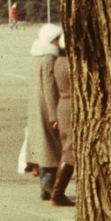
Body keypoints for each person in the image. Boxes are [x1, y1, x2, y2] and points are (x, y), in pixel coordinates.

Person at [23, 23, 65, 202]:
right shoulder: (49, 58)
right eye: (57, 39)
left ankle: (45, 187)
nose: (59, 42)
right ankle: (48, 187)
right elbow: (50, 88)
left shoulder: (37, 55)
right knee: (51, 148)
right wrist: (55, 115)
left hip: (36, 107)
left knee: (42, 146)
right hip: (47, 108)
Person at [50, 34, 76, 207]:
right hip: (72, 105)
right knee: (71, 149)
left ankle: (57, 191)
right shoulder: (71, 64)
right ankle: (57, 192)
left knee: (68, 146)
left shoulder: (59, 61)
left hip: (63, 105)